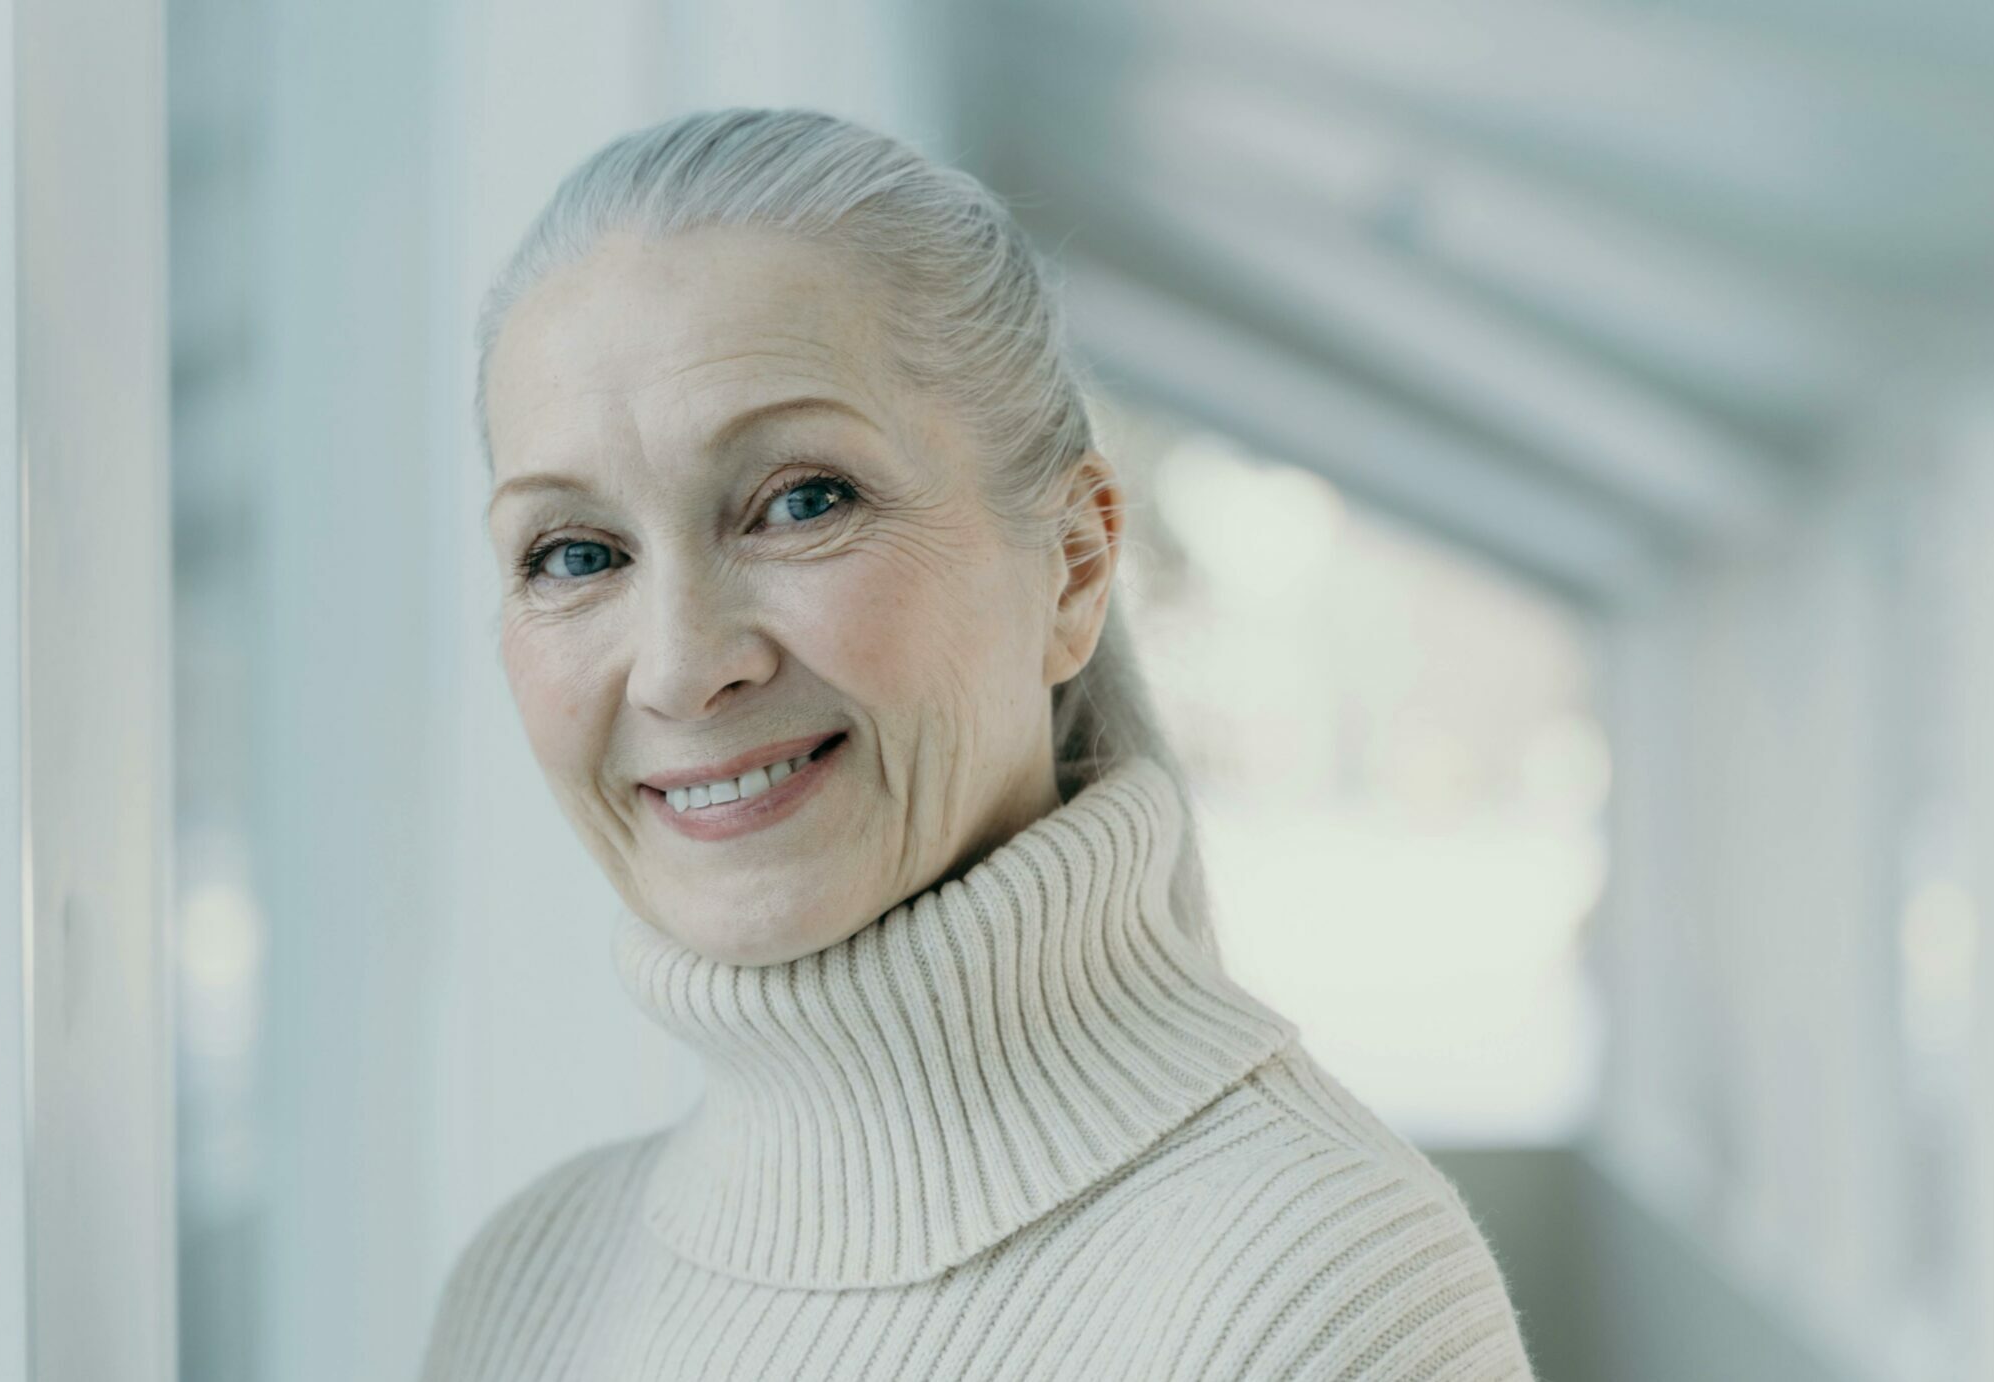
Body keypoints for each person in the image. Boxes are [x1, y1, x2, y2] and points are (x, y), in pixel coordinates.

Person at [419, 106, 1536, 1381]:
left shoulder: (1319, 1292)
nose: (681, 664)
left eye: (801, 500)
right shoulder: (525, 1286)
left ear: (1071, 566)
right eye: (576, 553)